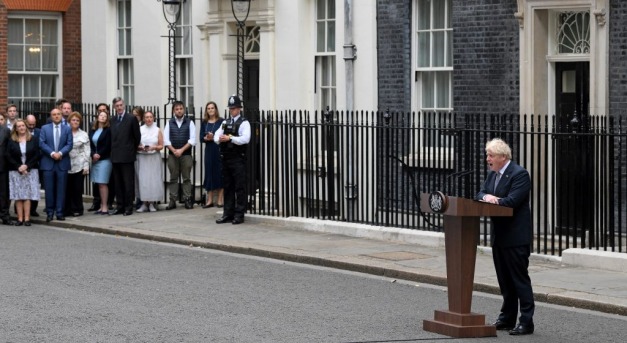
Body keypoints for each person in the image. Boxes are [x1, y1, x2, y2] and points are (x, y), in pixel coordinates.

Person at [474, 138, 535, 336]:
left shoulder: (520, 174)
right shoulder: (493, 175)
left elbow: (512, 201)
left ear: (502, 156)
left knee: (519, 280)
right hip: (499, 236)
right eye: (487, 155)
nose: (487, 159)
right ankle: (507, 318)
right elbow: (480, 193)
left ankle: (526, 321)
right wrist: (487, 197)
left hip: (516, 237)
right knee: (505, 281)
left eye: (490, 155)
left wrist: (494, 199)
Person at [214, 95, 251, 225]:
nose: (231, 111)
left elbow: (245, 139)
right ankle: (227, 213)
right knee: (228, 186)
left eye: (234, 108)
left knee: (239, 187)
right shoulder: (225, 122)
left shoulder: (244, 123)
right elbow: (216, 137)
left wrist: (230, 138)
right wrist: (220, 139)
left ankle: (239, 214)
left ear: (239, 109)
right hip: (226, 158)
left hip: (237, 158)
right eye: (230, 108)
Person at [39, 108, 73, 222]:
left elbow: (69, 144)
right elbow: (42, 143)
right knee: (49, 190)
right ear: (51, 116)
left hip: (62, 163)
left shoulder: (67, 128)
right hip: (48, 163)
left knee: (61, 189)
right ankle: (49, 212)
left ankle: (59, 212)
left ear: (61, 115)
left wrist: (60, 153)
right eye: (54, 114)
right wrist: (53, 153)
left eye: (58, 114)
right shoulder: (44, 128)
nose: (56, 116)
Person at [110, 97, 141, 216]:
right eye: (117, 106)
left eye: (120, 105)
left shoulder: (131, 118)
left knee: (128, 183)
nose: (119, 107)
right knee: (118, 183)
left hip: (127, 156)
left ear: (124, 105)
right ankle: (120, 206)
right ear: (114, 107)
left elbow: (136, 137)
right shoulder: (112, 120)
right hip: (115, 156)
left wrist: (130, 149)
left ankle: (128, 207)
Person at [163, 100, 196, 210]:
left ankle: (187, 199)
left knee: (186, 178)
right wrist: (174, 150)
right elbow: (166, 140)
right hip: (172, 155)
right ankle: (172, 201)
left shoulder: (190, 122)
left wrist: (181, 150)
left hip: (186, 154)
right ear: (173, 111)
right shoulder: (169, 123)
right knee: (173, 178)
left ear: (184, 110)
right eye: (177, 109)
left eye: (181, 108)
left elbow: (193, 140)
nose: (179, 111)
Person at [6, 119, 40, 226]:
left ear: (26, 127)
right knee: (18, 196)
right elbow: (8, 155)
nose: (21, 128)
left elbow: (37, 154)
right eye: (19, 126)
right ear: (15, 129)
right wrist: (19, 167)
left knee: (27, 195)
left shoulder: (33, 139)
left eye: (23, 126)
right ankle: (20, 219)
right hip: (16, 171)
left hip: (30, 171)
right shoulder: (11, 140)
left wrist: (27, 166)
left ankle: (27, 219)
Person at [136, 111, 164, 212]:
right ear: (143, 119)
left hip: (153, 157)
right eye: (146, 117)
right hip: (142, 157)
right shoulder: (140, 129)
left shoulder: (157, 130)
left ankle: (152, 203)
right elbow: (135, 144)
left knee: (153, 180)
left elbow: (161, 145)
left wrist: (153, 147)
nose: (148, 119)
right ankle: (144, 203)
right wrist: (141, 147)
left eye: (150, 117)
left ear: (154, 118)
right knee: (143, 180)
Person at [88, 103, 113, 212]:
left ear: (107, 118)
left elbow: (108, 145)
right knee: (98, 183)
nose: (102, 117)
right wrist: (93, 154)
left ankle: (105, 206)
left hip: (105, 159)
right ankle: (100, 205)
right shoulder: (93, 129)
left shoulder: (108, 130)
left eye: (104, 116)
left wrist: (99, 155)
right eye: (100, 115)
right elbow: (90, 143)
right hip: (95, 159)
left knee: (103, 183)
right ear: (97, 117)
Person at [64, 112, 90, 217]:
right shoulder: (64, 132)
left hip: (79, 165)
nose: (75, 122)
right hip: (66, 164)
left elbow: (86, 151)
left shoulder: (83, 134)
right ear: (69, 121)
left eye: (77, 120)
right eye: (73, 120)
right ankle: (67, 209)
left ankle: (77, 209)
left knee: (77, 189)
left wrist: (86, 165)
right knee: (66, 188)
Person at [199, 101, 224, 208]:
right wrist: (206, 138)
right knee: (209, 173)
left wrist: (214, 137)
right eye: (208, 108)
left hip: (218, 149)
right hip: (209, 150)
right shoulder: (204, 122)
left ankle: (219, 199)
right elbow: (200, 137)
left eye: (212, 108)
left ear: (216, 109)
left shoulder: (221, 121)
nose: (210, 110)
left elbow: (224, 135)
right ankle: (209, 200)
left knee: (220, 173)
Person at [0, 114, 15, 225]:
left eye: (1, 119)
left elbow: (10, 148)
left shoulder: (6, 131)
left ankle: (5, 215)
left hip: (3, 166)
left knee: (4, 193)